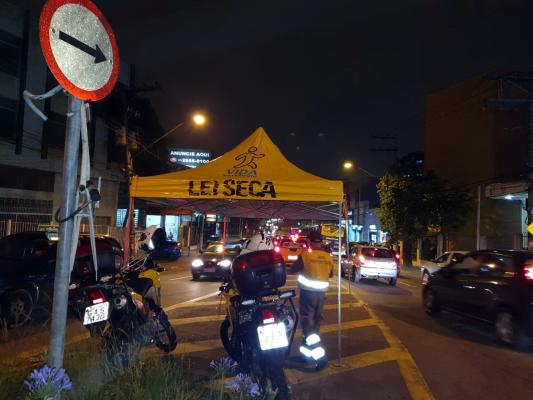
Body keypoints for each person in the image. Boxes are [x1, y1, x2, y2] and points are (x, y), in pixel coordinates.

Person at [291, 230, 333, 363]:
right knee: (315, 324)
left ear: (308, 241)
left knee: (307, 324)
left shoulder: (306, 255)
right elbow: (331, 274)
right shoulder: (328, 256)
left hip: (308, 294)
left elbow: (293, 269)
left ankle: (319, 356)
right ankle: (306, 355)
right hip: (321, 295)